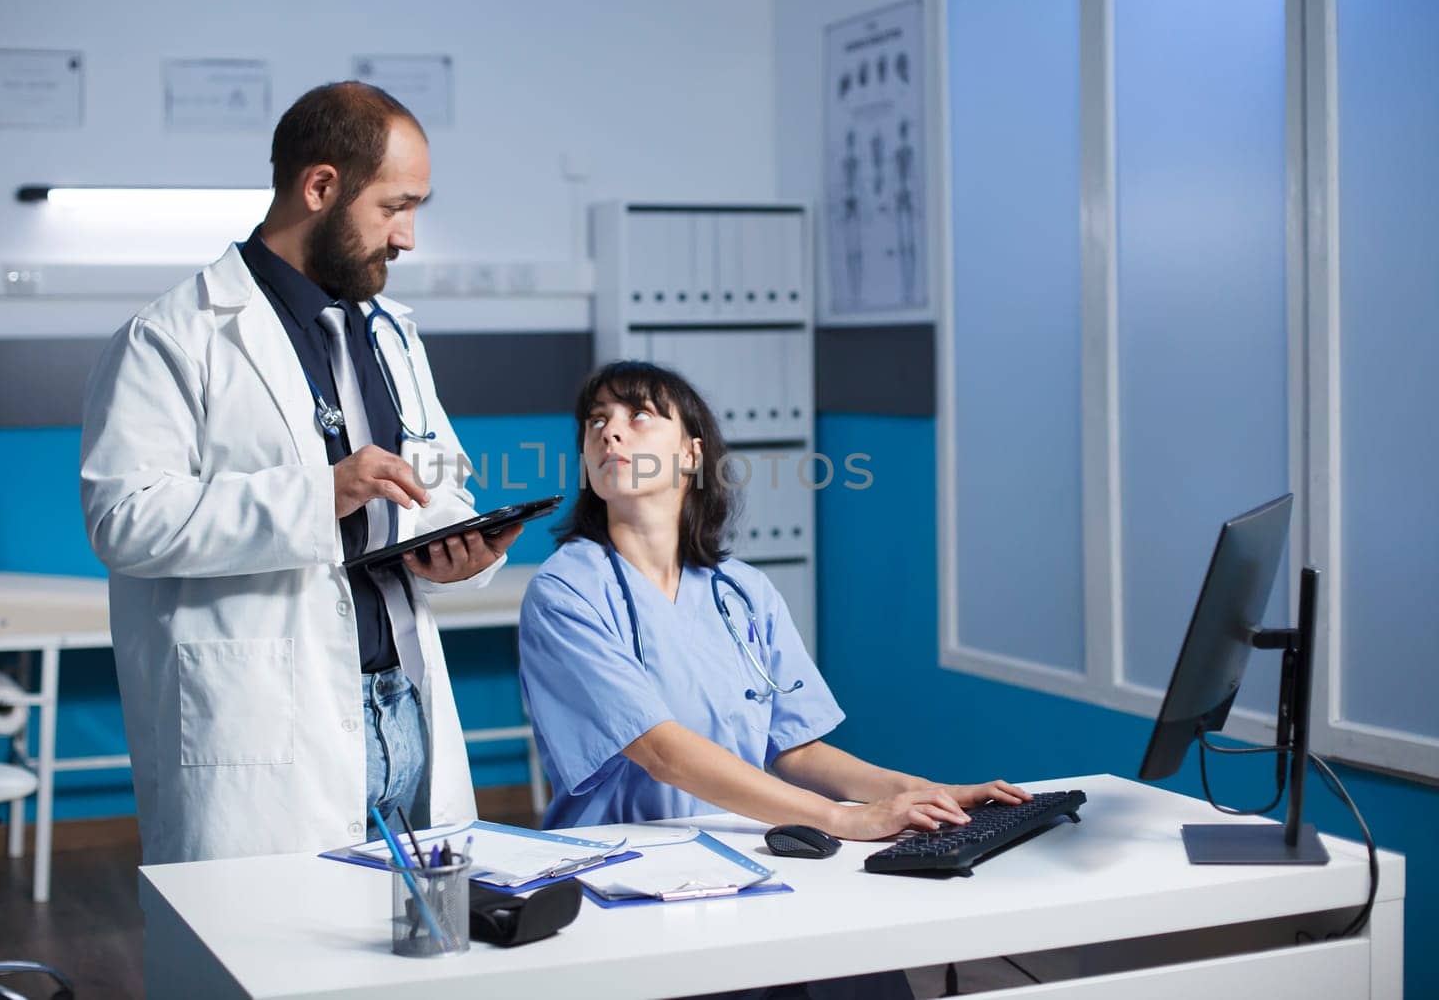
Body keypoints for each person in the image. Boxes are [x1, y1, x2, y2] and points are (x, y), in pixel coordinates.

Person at [81, 82, 521, 865]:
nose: (409, 237)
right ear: (320, 187)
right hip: (272, 730)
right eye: (395, 206)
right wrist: (323, 493)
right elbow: (126, 520)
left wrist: (459, 545)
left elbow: (441, 482)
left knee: (421, 969)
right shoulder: (174, 336)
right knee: (277, 971)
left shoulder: (390, 336)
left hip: (404, 707)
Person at [518, 361, 1027, 840]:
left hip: (731, 845)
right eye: (596, 421)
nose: (610, 432)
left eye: (640, 416)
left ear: (691, 455)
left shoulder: (743, 591)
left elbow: (796, 752)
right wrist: (839, 820)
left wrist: (925, 793)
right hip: (617, 859)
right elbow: (660, 751)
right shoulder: (566, 591)